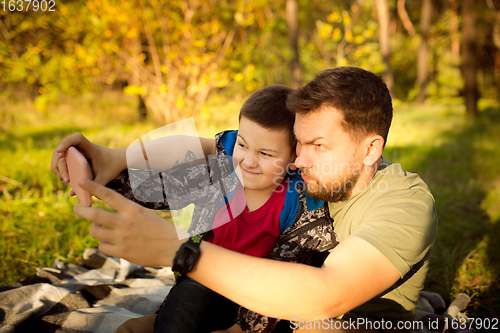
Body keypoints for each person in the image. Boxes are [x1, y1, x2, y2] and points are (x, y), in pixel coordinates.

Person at [52, 67, 438, 332]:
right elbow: (212, 147)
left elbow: (325, 296)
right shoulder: (295, 169)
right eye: (298, 144)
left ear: (371, 150)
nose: (299, 161)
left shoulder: (405, 204)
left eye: (318, 145)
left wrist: (180, 251)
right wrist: (113, 157)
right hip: (252, 296)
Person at [52, 85, 338, 333]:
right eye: (242, 145)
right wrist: (99, 176)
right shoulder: (222, 173)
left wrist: (243, 329)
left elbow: (285, 278)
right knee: (189, 296)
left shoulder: (297, 205)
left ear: (293, 158)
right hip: (205, 279)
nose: (248, 161)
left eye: (265, 154)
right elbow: (161, 188)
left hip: (260, 299)